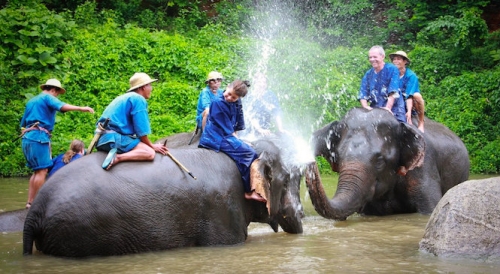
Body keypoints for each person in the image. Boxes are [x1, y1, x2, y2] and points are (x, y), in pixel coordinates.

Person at [20, 78, 95, 209]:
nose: (57, 96)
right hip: (39, 137)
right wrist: (81, 108)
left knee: (37, 171)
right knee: (42, 171)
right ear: (53, 90)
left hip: (27, 137)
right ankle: (36, 204)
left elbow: (23, 124)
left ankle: (30, 202)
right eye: (57, 94)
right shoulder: (47, 97)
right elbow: (62, 107)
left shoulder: (31, 101)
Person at [198, 79, 266, 202]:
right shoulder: (217, 102)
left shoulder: (237, 102)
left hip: (225, 134)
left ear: (238, 98)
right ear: (227, 87)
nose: (229, 97)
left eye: (233, 97)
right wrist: (237, 140)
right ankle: (248, 191)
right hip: (216, 137)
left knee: (250, 149)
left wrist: (238, 137)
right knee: (249, 154)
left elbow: (238, 121)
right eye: (228, 94)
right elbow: (226, 129)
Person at [95, 72, 168, 170]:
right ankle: (117, 157)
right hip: (113, 138)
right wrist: (152, 146)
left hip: (102, 138)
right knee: (149, 153)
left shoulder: (124, 97)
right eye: (150, 85)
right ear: (143, 87)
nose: (151, 88)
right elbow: (141, 130)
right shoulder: (138, 99)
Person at [358, 45, 406, 123]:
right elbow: (363, 94)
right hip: (375, 109)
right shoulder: (368, 74)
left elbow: (393, 92)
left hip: (394, 109)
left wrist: (388, 108)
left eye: (375, 57)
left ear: (382, 56)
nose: (372, 59)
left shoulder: (392, 69)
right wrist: (366, 107)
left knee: (402, 130)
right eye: (370, 57)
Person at [389, 50, 425, 132]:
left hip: (409, 102)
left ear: (405, 61)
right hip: (396, 101)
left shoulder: (411, 76)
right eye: (394, 59)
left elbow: (409, 95)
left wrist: (408, 111)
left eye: (398, 59)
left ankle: (421, 122)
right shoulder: (392, 73)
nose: (395, 61)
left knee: (417, 96)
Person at [243, 73, 284, 138]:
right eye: (259, 82)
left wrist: (280, 128)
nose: (262, 84)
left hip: (265, 130)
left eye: (264, 82)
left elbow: (277, 112)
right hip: (250, 131)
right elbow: (250, 116)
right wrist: (260, 129)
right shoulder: (250, 97)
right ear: (255, 83)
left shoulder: (270, 95)